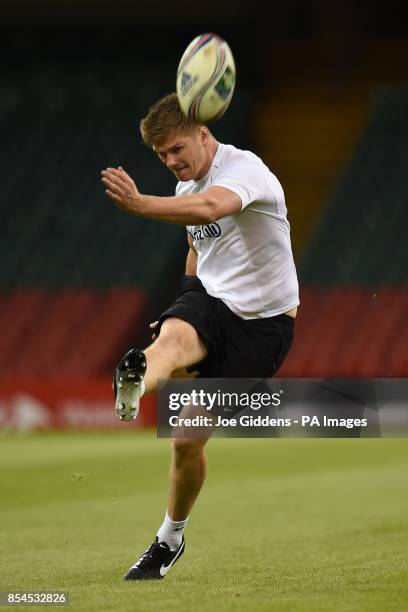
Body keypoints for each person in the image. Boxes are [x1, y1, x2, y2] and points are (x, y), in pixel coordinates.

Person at [101, 92, 299, 580]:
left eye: (176, 149)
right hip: (210, 300)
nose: (171, 162)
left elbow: (213, 209)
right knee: (169, 339)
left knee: (187, 439)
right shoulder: (185, 191)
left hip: (264, 325)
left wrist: (140, 203)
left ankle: (171, 537)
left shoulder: (244, 169)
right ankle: (135, 381)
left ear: (204, 135)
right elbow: (196, 250)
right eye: (162, 156)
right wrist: (184, 300)